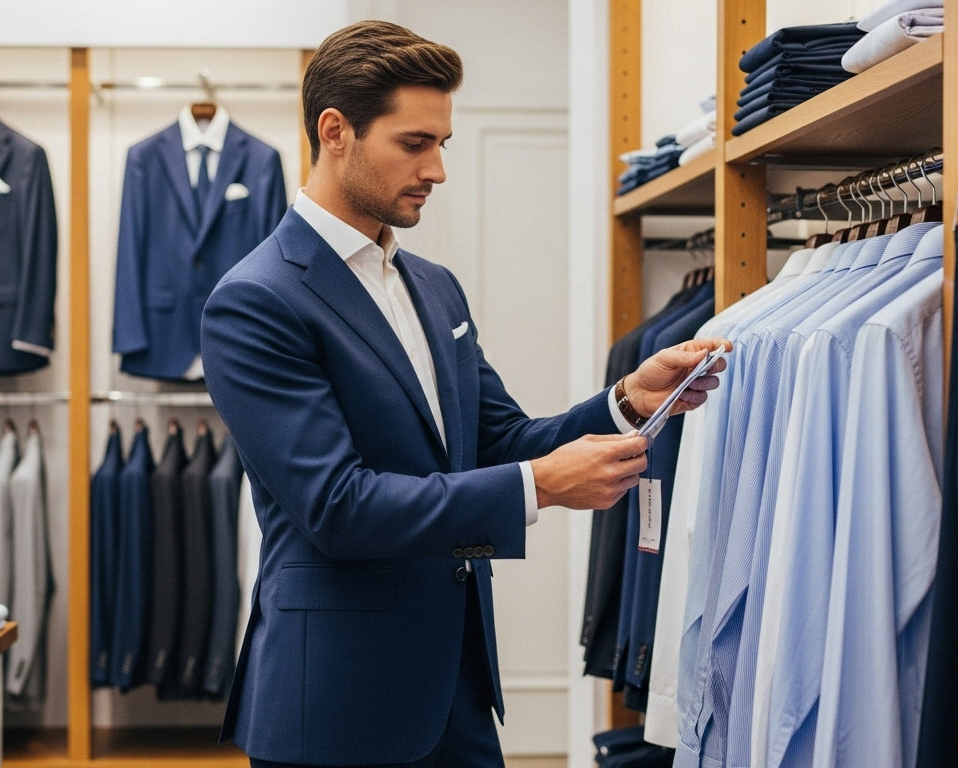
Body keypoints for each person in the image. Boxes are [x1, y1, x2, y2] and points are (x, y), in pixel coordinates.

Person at [200, 19, 730, 768]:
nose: (438, 169)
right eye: (415, 144)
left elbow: (500, 438)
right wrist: (539, 487)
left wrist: (629, 399)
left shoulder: (433, 287)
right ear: (336, 131)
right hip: (336, 704)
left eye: (443, 144)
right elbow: (337, 508)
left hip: (457, 690)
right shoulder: (255, 300)